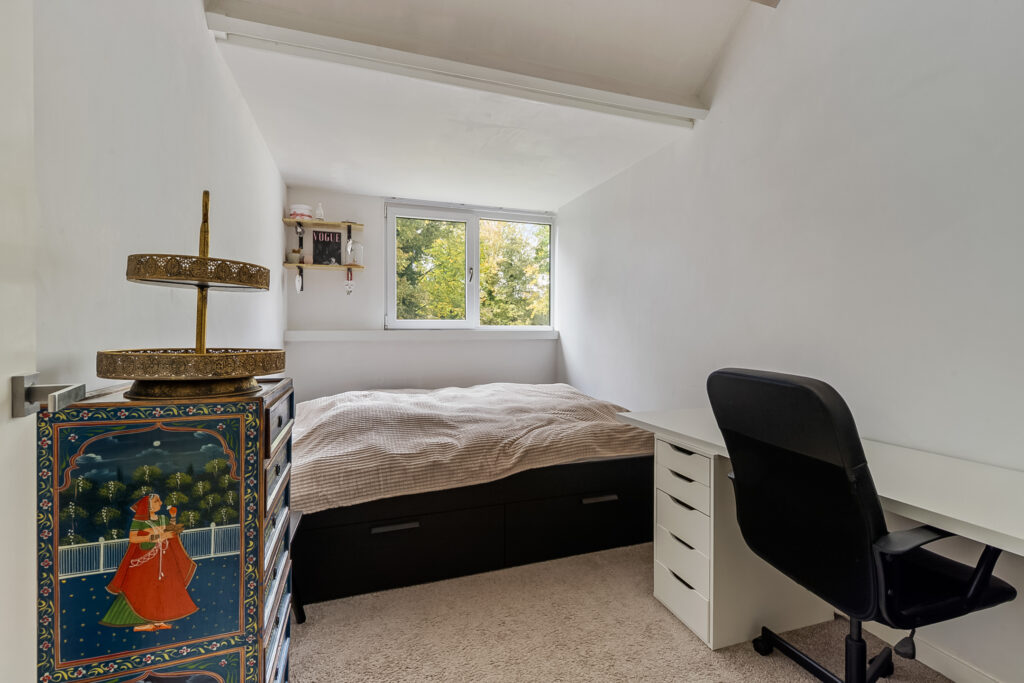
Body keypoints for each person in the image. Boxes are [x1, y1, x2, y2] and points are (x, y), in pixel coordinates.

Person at [100, 493, 198, 631]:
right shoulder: (139, 521)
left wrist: (173, 518)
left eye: (159, 500)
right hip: (144, 562)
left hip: (163, 559)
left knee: (162, 589)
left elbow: (169, 530)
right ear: (148, 506)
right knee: (142, 590)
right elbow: (133, 539)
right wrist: (158, 536)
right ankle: (142, 624)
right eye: (157, 501)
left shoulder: (163, 518)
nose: (161, 502)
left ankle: (159, 620)